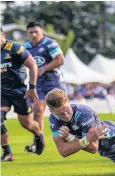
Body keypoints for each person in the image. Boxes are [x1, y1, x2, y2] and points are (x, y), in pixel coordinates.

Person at [46, 88, 115, 175]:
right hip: (105, 135)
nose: (66, 116)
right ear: (51, 111)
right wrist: (82, 138)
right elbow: (63, 151)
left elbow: (93, 148)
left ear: (68, 101)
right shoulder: (53, 120)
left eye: (67, 110)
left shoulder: (85, 113)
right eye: (61, 114)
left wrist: (71, 138)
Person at [1, 28, 44, 161]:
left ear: (2, 35)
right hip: (2, 92)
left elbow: (33, 66)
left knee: (27, 124)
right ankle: (7, 152)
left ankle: (39, 136)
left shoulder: (15, 48)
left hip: (20, 92)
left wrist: (32, 87)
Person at [24, 21, 65, 153]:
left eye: (36, 31)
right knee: (37, 110)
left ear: (42, 32)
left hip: (54, 82)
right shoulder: (26, 47)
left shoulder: (50, 43)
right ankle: (38, 142)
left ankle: (69, 136)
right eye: (31, 32)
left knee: (61, 111)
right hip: (38, 84)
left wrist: (42, 69)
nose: (34, 34)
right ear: (28, 33)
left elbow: (60, 60)